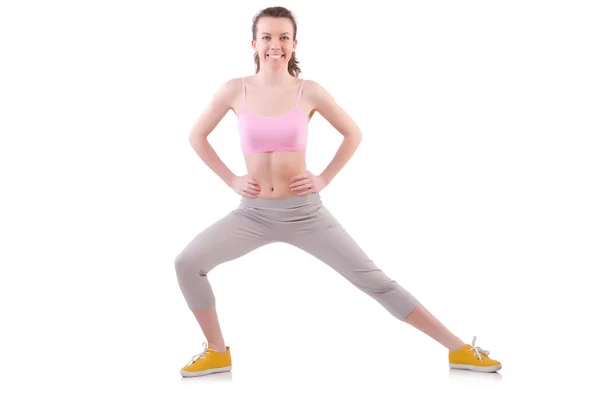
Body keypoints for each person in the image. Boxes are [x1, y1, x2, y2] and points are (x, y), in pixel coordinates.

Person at [175, 6, 502, 378]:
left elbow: (353, 133)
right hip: (253, 214)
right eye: (267, 37)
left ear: (294, 44)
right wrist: (231, 179)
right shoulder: (235, 89)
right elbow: (196, 137)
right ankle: (217, 352)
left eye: (284, 37)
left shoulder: (308, 91)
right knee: (187, 263)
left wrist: (325, 178)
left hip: (305, 214)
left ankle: (459, 349)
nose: (275, 45)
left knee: (375, 281)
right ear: (254, 43)